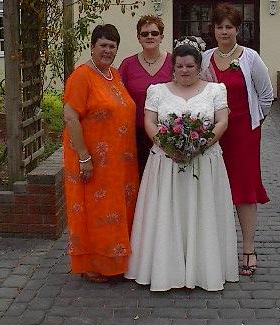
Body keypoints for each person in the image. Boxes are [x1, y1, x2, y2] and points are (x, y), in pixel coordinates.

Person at [125, 37, 239, 291]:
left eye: (190, 66)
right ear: (173, 68)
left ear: (199, 67)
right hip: (166, 162)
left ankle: (204, 269)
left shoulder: (215, 90)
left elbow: (222, 121)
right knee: (166, 212)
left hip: (204, 161)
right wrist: (168, 146)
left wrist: (200, 144)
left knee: (203, 211)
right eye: (179, 66)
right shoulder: (157, 91)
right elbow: (150, 122)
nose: (184, 70)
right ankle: (164, 269)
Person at [201, 3, 273, 277]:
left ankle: (248, 249)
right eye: (219, 27)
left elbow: (266, 95)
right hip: (213, 134)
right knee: (213, 188)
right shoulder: (205, 58)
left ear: (237, 29)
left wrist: (255, 122)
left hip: (243, 133)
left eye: (229, 27)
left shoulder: (250, 58)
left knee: (244, 190)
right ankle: (216, 251)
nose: (224, 32)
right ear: (213, 29)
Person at [63, 24, 139, 283]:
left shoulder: (113, 75)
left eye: (112, 46)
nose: (107, 50)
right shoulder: (82, 76)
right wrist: (84, 156)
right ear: (92, 46)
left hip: (119, 164)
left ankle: (116, 262)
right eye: (103, 45)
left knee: (115, 211)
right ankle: (93, 263)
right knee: (96, 212)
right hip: (92, 161)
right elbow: (70, 117)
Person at [119, 15, 173, 177]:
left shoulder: (174, 63)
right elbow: (117, 96)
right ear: (138, 37)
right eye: (145, 34)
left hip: (167, 132)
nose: (150, 36)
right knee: (138, 177)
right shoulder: (127, 65)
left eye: (154, 33)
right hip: (135, 133)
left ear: (161, 37)